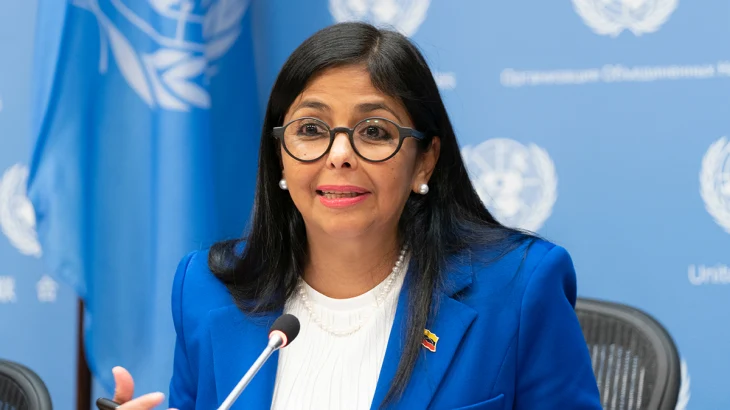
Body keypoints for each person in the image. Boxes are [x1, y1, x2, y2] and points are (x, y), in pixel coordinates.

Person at [109, 22, 602, 410]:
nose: (340, 155)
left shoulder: (517, 289)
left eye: (374, 132)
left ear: (424, 161)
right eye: (311, 129)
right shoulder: (208, 289)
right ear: (280, 155)